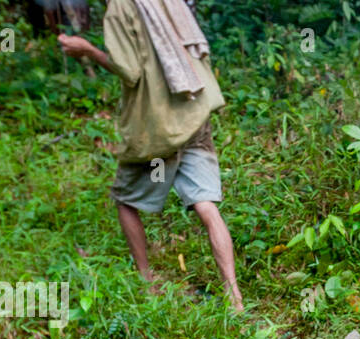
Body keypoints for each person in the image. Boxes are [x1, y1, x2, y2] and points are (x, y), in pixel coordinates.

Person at [59, 0, 243, 311]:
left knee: (126, 201)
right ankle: (235, 298)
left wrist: (87, 51)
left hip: (159, 125)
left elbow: (129, 72)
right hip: (195, 109)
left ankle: (146, 282)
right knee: (205, 204)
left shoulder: (119, 8)